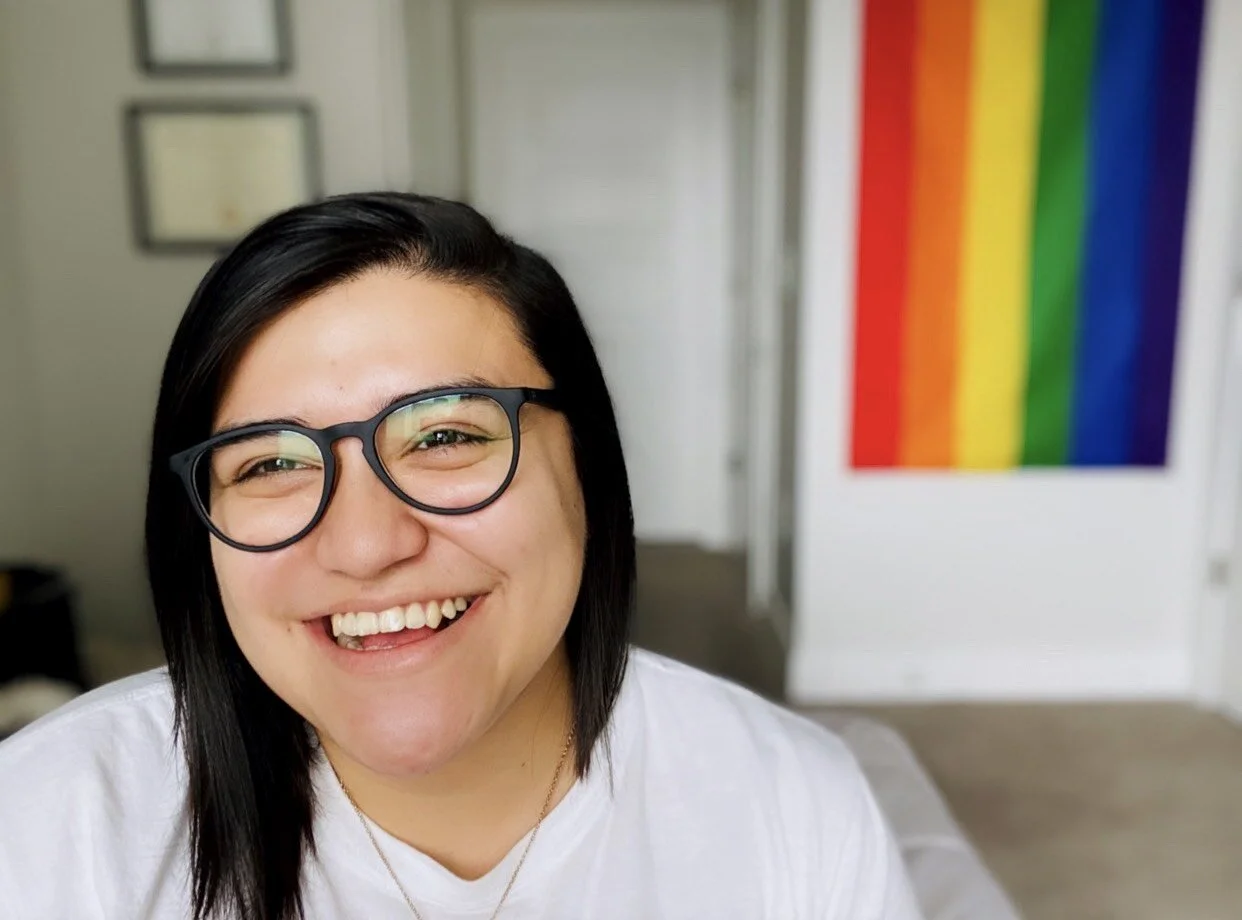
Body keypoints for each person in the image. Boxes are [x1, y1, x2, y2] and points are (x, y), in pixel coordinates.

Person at [0, 192, 922, 920]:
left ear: (588, 469)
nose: (366, 545)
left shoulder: (794, 804)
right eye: (273, 464)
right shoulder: (49, 825)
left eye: (444, 437)